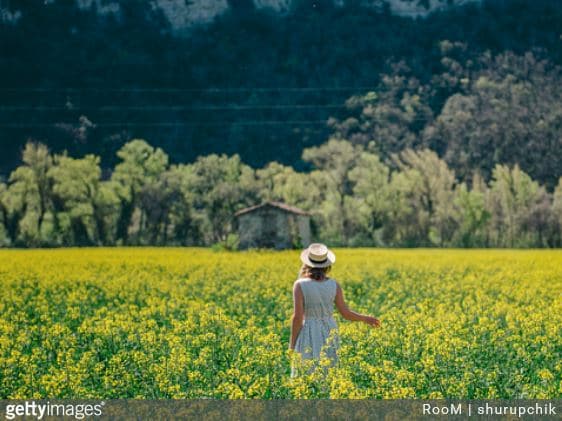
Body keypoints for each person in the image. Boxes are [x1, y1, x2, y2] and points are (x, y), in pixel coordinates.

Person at [289, 243, 380, 377]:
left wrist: (292, 345)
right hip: (329, 329)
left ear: (307, 263)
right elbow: (346, 313)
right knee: (329, 369)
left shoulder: (300, 285)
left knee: (307, 369)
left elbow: (297, 317)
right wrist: (366, 318)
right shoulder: (333, 284)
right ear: (327, 265)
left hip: (309, 329)